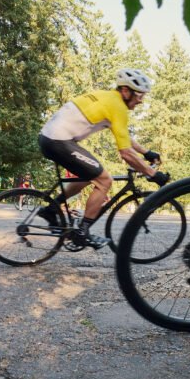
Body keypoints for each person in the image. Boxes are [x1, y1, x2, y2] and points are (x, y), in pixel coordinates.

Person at [38, 68, 168, 248]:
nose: (141, 100)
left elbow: (123, 136)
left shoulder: (108, 98)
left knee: (88, 176)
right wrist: (152, 174)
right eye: (139, 95)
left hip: (49, 138)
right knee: (104, 180)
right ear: (125, 91)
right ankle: (82, 232)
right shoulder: (117, 107)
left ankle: (51, 210)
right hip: (58, 141)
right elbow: (126, 153)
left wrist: (146, 153)